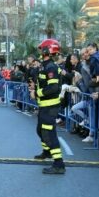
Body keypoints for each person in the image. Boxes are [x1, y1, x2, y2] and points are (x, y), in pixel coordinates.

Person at [31, 39, 67, 174]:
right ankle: (47, 152)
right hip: (44, 106)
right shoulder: (45, 65)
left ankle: (59, 164)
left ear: (47, 50)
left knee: (48, 134)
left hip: (50, 106)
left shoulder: (51, 67)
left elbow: (53, 87)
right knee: (40, 130)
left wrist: (37, 93)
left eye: (42, 49)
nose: (40, 51)